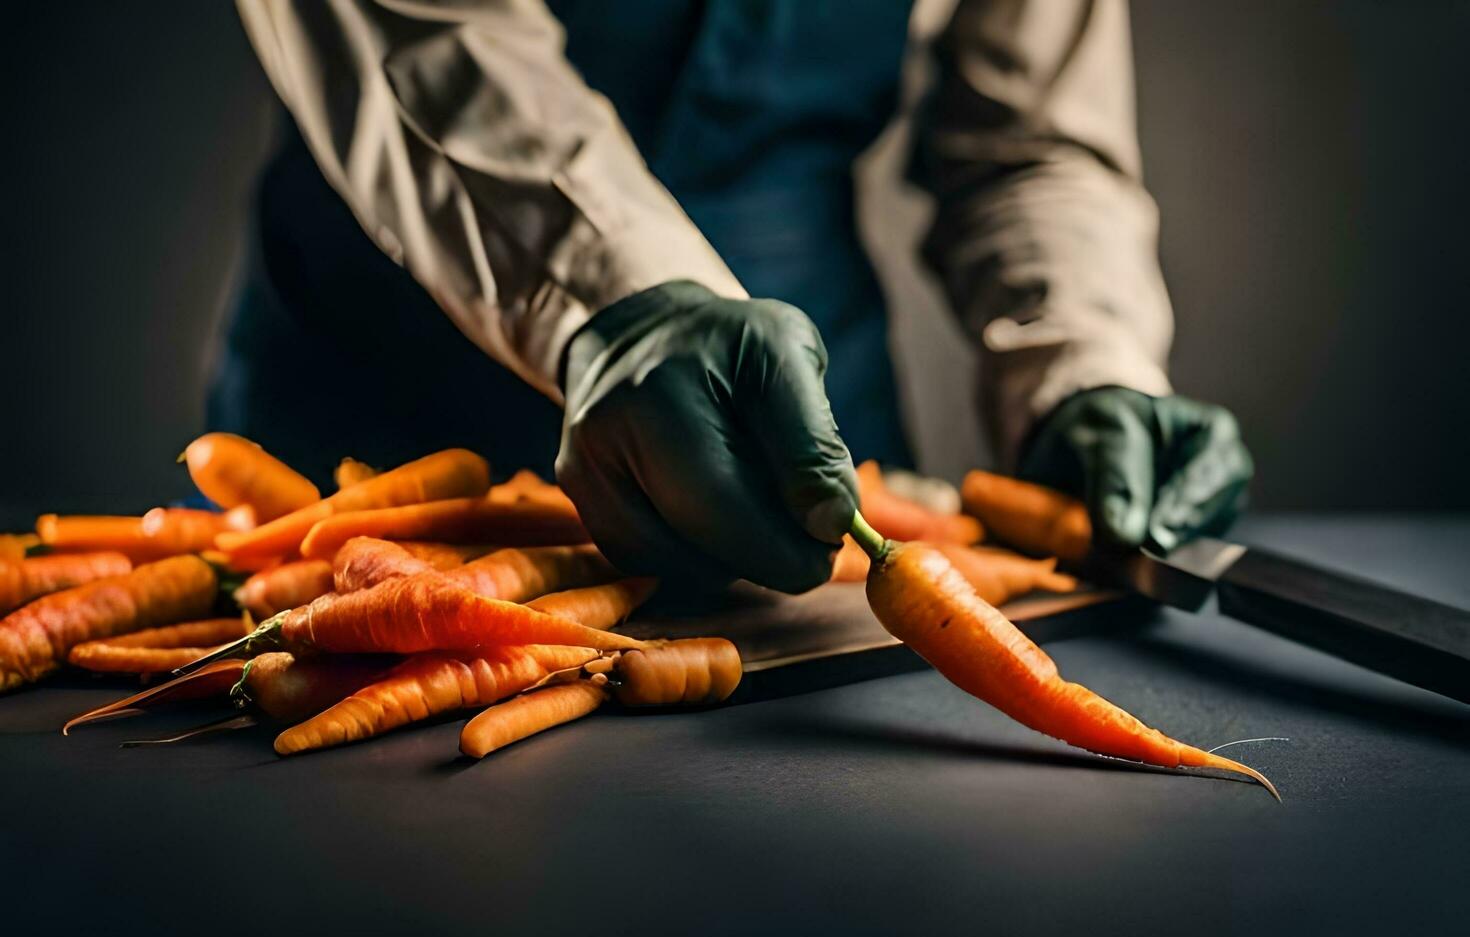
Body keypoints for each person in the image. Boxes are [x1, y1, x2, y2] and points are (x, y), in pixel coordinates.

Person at [216, 0, 1252, 593]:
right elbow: (422, 35)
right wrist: (617, 297)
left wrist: (1084, 361)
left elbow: (1030, 143)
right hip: (372, 462)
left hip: (809, 470)